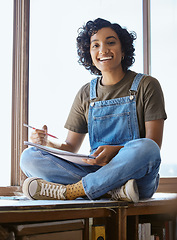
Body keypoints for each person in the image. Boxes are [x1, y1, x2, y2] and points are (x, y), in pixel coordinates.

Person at [20, 18, 167, 202]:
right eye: (95, 45)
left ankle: (72, 191)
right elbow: (70, 147)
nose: (103, 50)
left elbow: (154, 144)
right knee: (29, 157)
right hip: (100, 173)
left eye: (111, 42)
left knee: (148, 148)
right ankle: (110, 191)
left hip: (136, 178)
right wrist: (45, 142)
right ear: (89, 53)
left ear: (123, 50)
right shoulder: (85, 93)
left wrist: (116, 151)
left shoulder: (147, 85)